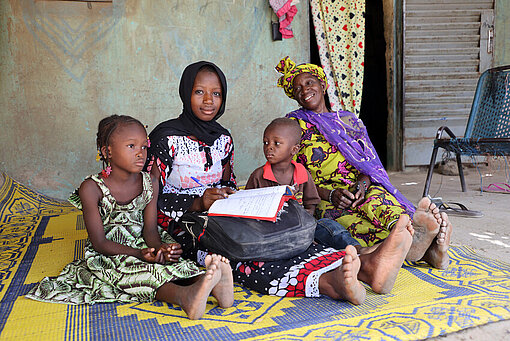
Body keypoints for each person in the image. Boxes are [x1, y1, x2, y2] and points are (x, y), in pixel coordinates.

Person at [147, 60, 423, 305]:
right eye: (199, 92)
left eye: (216, 94)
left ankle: (366, 267)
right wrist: (198, 201)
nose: (209, 100)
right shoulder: (165, 138)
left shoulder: (223, 138)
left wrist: (235, 197)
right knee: (248, 254)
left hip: (222, 214)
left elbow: (229, 183)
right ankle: (331, 283)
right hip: (184, 223)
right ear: (186, 92)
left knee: (283, 235)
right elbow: (151, 198)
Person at [26, 115, 233, 320]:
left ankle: (213, 284)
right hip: (110, 252)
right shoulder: (91, 188)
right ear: (107, 151)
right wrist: (139, 254)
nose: (140, 154)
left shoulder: (150, 182)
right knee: (134, 273)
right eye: (131, 146)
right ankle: (184, 296)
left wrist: (159, 248)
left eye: (144, 147)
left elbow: (150, 230)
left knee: (172, 264)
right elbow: (99, 242)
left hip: (143, 243)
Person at [275, 56, 452, 270]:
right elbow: (289, 173)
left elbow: (368, 163)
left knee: (380, 204)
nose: (304, 90)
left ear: (322, 84)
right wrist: (329, 194)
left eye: (309, 83)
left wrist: (362, 185)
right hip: (324, 196)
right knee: (349, 224)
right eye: (297, 89)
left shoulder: (349, 121)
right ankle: (423, 251)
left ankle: (422, 243)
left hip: (359, 187)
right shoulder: (293, 125)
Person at [245, 117, 363, 252]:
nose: (269, 147)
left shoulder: (302, 173)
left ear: (294, 150)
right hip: (272, 230)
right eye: (265, 142)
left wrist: (305, 226)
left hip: (302, 226)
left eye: (276, 143)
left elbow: (311, 203)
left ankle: (358, 250)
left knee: (329, 226)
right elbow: (248, 211)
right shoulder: (258, 176)